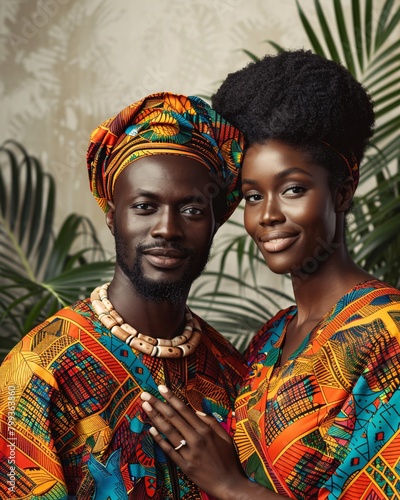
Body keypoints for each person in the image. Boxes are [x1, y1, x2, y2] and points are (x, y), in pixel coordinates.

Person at [139, 50, 400, 499]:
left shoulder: (388, 333)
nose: (268, 216)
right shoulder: (270, 337)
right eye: (253, 196)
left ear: (343, 190)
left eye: (293, 189)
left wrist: (227, 485)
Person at [0, 92, 248, 499]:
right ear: (113, 217)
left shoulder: (230, 369)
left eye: (191, 210)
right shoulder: (40, 371)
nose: (167, 228)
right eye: (145, 206)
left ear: (215, 224)